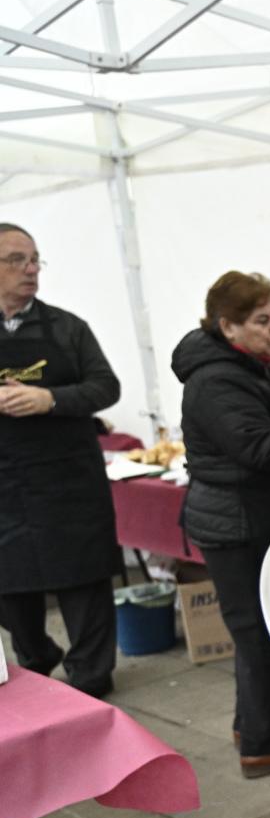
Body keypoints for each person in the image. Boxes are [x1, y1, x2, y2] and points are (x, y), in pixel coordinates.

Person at [171, 271, 270, 777]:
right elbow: (259, 449)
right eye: (262, 320)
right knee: (258, 636)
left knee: (259, 632)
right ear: (228, 326)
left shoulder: (249, 366)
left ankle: (254, 723)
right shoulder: (216, 380)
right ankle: (262, 747)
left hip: (254, 518)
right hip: (237, 527)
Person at [0, 223, 121, 697]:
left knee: (84, 582)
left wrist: (49, 398)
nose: (31, 270)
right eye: (16, 260)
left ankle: (92, 681)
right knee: (11, 588)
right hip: (6, 489)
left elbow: (106, 387)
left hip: (68, 482)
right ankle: (37, 657)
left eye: (35, 260)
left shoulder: (68, 328)